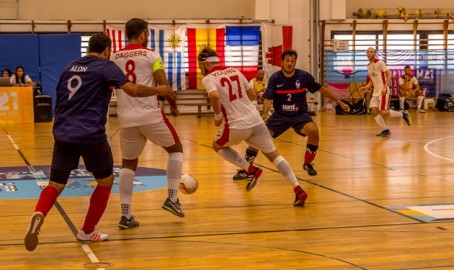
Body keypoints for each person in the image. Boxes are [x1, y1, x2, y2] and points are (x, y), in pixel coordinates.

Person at [24, 33, 175, 251]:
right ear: (106, 51)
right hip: (90, 134)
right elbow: (132, 90)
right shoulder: (105, 66)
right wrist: (158, 90)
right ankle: (87, 230)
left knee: (55, 184)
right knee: (105, 181)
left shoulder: (70, 67)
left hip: (63, 132)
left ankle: (39, 213)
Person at [198, 47, 308, 206]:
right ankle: (298, 189)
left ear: (206, 64)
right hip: (256, 120)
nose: (200, 69)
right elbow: (252, 95)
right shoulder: (235, 71)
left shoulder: (208, 78)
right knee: (275, 156)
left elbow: (214, 96)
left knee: (217, 145)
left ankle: (250, 169)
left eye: (200, 65)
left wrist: (217, 117)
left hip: (236, 124)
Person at [110, 18, 185, 229]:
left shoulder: (114, 57)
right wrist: (173, 105)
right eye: (148, 34)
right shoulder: (152, 55)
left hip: (125, 119)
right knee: (176, 150)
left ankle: (126, 215)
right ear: (143, 34)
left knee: (128, 165)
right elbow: (164, 85)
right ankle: (172, 199)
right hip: (150, 116)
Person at [233, 49, 350, 181]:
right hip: (280, 116)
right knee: (259, 137)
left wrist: (339, 102)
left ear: (295, 62)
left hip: (299, 115)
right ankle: (246, 169)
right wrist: (264, 114)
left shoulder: (304, 76)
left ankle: (308, 163)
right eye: (287, 61)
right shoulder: (275, 78)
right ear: (282, 62)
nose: (289, 63)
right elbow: (268, 99)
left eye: (292, 61)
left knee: (313, 130)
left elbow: (322, 89)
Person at [359, 47, 412, 137]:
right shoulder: (368, 65)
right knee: (374, 111)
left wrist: (385, 87)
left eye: (371, 52)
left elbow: (389, 73)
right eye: (367, 52)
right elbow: (372, 80)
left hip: (383, 91)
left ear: (375, 53)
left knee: (382, 111)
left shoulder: (380, 62)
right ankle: (385, 130)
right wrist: (366, 87)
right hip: (376, 92)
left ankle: (403, 114)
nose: (369, 53)